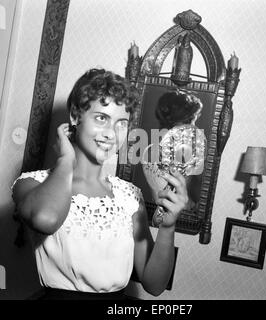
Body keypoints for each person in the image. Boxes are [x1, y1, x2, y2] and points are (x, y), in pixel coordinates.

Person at [11, 68, 188, 300]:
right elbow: (46, 218)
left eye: (122, 123)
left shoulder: (129, 196)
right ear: (75, 116)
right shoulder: (31, 184)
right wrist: (66, 159)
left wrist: (168, 226)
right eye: (101, 118)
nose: (111, 134)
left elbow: (154, 285)